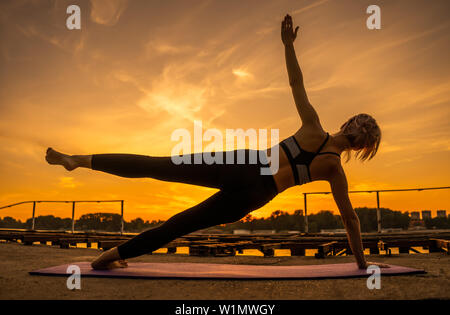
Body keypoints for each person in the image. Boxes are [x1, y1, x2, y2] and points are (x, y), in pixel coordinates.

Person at [45, 14, 388, 270]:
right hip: (257, 192)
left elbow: (296, 82)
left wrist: (288, 45)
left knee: (156, 166)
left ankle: (79, 160)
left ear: (350, 126)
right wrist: (362, 264)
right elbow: (350, 220)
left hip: (246, 163)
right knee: (181, 224)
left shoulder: (313, 127)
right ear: (361, 147)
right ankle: (107, 257)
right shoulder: (334, 170)